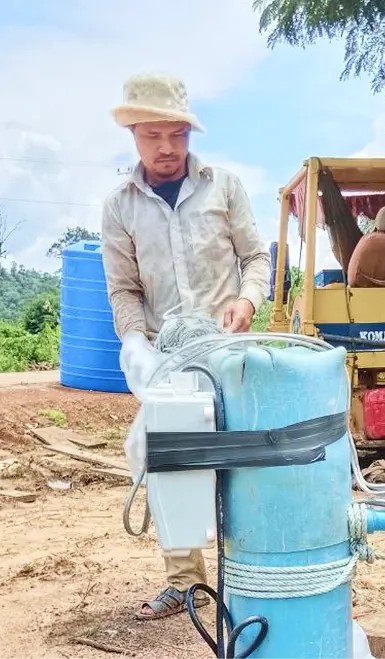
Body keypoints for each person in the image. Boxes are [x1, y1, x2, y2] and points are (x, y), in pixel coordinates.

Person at [100, 73, 271, 619]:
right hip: (166, 360)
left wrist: (246, 300)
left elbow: (257, 258)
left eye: (177, 134)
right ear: (133, 134)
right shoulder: (120, 205)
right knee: (164, 458)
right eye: (154, 136)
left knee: (241, 460)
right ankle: (186, 582)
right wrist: (133, 342)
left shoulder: (223, 186)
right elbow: (124, 289)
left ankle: (251, 573)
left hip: (226, 352)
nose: (168, 148)